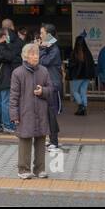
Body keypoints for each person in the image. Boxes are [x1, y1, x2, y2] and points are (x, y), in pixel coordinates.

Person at [10, 42, 52, 179]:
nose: (36, 57)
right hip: (25, 112)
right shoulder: (17, 73)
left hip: (40, 112)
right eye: (32, 54)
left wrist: (43, 91)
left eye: (37, 54)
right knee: (25, 140)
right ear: (25, 56)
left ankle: (40, 169)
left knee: (41, 139)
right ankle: (23, 169)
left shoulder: (44, 71)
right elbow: (14, 96)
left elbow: (51, 90)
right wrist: (14, 114)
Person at [37, 24, 64, 152]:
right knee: (48, 113)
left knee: (51, 113)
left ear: (48, 35)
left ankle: (54, 141)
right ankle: (52, 139)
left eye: (42, 33)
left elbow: (44, 61)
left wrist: (41, 49)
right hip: (49, 84)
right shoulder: (51, 47)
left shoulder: (54, 49)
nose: (40, 36)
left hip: (53, 85)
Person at [0, 28, 17, 133]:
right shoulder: (2, 48)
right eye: (7, 36)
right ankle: (8, 125)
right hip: (4, 77)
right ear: (3, 36)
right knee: (5, 102)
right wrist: (9, 44)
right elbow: (11, 56)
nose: (8, 37)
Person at [67, 34, 96, 116]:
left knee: (75, 91)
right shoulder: (88, 53)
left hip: (77, 76)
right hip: (86, 76)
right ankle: (84, 107)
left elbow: (71, 65)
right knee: (83, 91)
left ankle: (81, 106)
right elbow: (91, 64)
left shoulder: (74, 53)